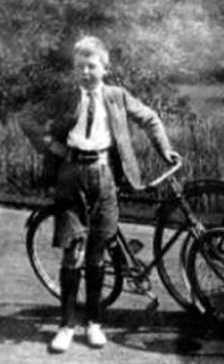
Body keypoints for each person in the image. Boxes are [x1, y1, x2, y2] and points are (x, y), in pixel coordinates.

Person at [20, 36, 180, 352]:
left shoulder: (116, 96)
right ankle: (66, 325)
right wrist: (50, 144)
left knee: (96, 254)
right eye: (79, 66)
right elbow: (26, 118)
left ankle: (94, 323)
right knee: (72, 253)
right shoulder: (66, 97)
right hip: (71, 175)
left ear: (104, 68)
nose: (85, 72)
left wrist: (165, 150)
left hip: (105, 176)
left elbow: (149, 118)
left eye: (91, 66)